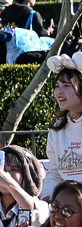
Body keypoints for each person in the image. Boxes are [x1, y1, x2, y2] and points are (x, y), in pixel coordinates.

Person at [44, 56, 82, 197]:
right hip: (67, 204)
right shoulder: (57, 129)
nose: (59, 92)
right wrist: (47, 196)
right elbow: (54, 171)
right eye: (57, 86)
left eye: (66, 86)